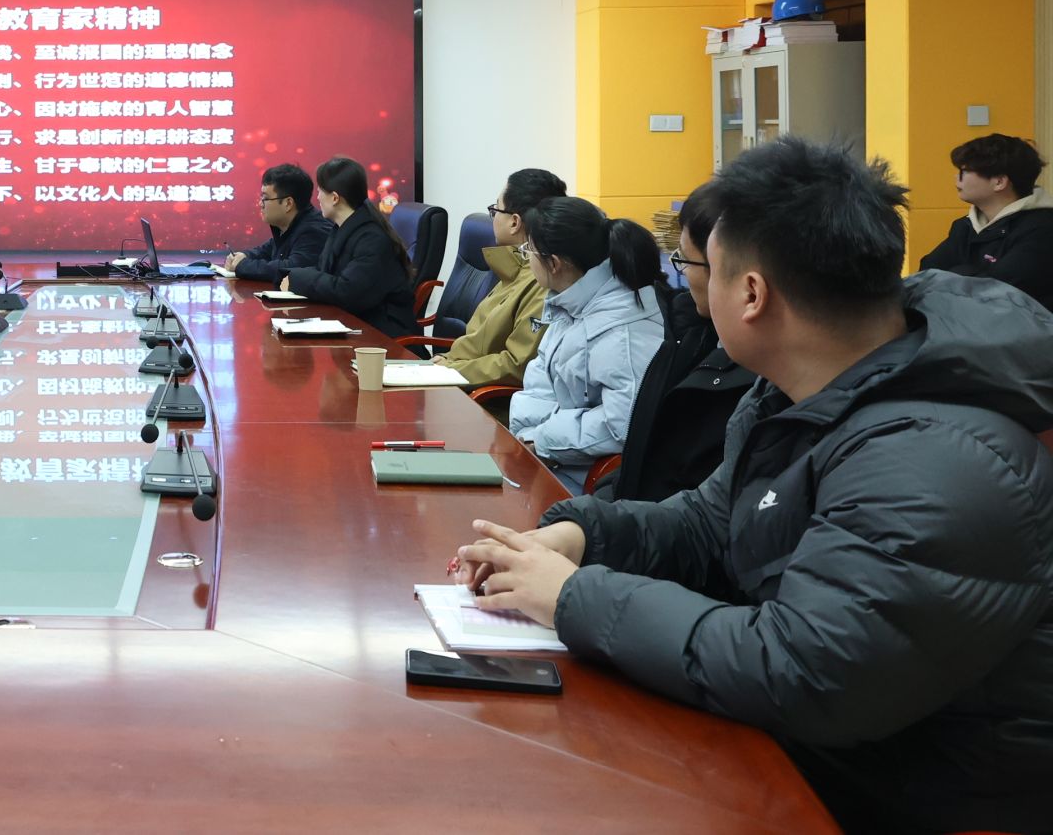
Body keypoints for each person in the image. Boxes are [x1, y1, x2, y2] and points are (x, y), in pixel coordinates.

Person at [450, 138, 1053, 835]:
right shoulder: (803, 385)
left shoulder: (935, 459)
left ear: (752, 293)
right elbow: (710, 521)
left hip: (901, 794)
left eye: (701, 267)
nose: (687, 287)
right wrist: (580, 534)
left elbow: (803, 672)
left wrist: (571, 596)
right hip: (807, 751)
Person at [591, 182, 753, 503]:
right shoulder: (686, 333)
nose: (683, 273)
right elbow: (643, 455)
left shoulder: (755, 377)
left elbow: (702, 512)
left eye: (685, 260)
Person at [506, 197, 664, 491]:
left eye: (529, 250)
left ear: (554, 263)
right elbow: (540, 382)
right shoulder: (569, 303)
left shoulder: (622, 330)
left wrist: (542, 439)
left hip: (586, 483)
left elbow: (620, 425)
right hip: (547, 459)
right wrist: (529, 436)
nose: (526, 258)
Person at [431, 168, 564, 385]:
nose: (493, 218)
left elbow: (517, 365)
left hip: (479, 395)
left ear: (514, 222)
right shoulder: (513, 270)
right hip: (457, 376)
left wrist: (449, 370)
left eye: (496, 210)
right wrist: (445, 364)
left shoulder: (543, 280)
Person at [280, 156, 415, 340]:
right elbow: (324, 271)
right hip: (352, 327)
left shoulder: (372, 239)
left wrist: (296, 278)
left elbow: (348, 292)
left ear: (335, 198)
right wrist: (290, 276)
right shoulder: (342, 229)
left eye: (320, 192)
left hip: (383, 339)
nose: (317, 198)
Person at [919, 132, 1053, 310]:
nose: (956, 178)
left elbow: (998, 291)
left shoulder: (1042, 229)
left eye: (964, 172)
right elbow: (926, 273)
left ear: (999, 182)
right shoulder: (965, 226)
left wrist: (959, 274)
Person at [224, 162, 333, 284]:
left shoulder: (314, 230)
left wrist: (242, 266)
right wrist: (243, 256)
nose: (260, 204)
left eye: (265, 198)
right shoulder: (287, 226)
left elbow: (291, 269)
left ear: (288, 203)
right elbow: (265, 251)